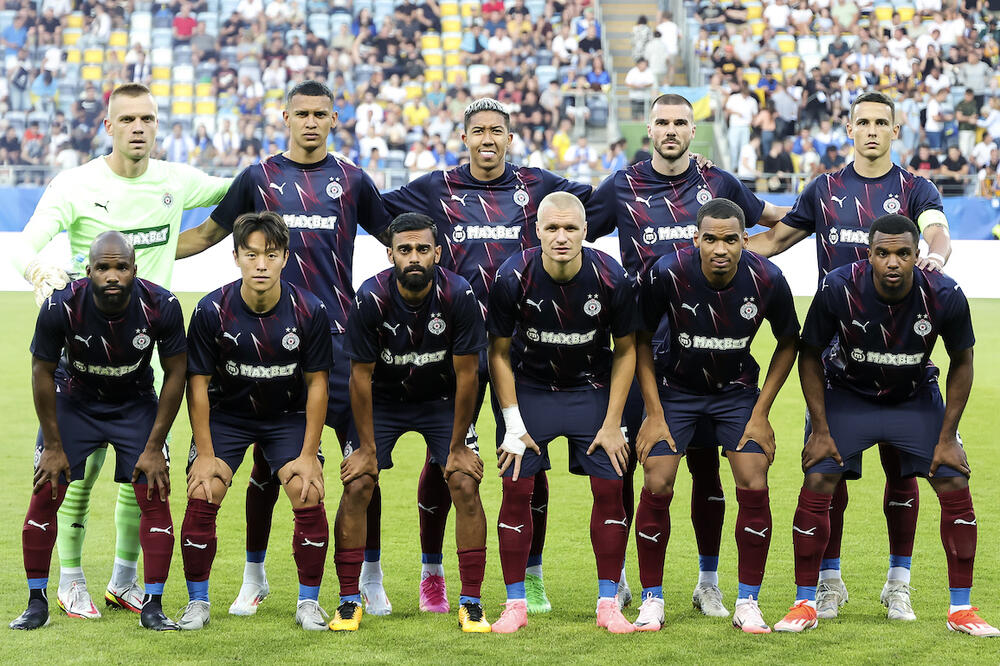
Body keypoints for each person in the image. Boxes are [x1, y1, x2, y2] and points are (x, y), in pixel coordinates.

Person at [8, 82, 230, 621]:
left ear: (157, 125)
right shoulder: (75, 184)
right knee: (75, 475)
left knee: (143, 477)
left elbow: (238, 189)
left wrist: (281, 175)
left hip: (145, 353)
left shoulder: (176, 181)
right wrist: (37, 269)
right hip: (83, 352)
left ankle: (125, 582)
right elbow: (25, 243)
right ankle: (70, 580)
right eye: (127, 119)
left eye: (147, 119)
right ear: (108, 126)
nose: (138, 128)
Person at [175, 80, 392, 617]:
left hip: (336, 344)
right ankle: (254, 576)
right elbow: (205, 235)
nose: (311, 122)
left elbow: (398, 238)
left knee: (361, 461)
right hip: (265, 345)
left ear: (335, 119)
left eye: (321, 114)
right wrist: (140, 257)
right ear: (285, 118)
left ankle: (371, 574)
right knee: (267, 467)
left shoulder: (352, 180)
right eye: (302, 114)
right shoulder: (258, 177)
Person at [382, 98, 593, 615]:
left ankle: (533, 576)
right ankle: (432, 575)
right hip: (450, 351)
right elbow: (369, 209)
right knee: (444, 459)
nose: (488, 140)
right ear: (464, 138)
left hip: (521, 352)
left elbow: (603, 205)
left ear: (510, 138)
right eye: (478, 132)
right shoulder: (436, 187)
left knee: (530, 463)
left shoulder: (540, 186)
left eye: (497, 131)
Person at [748, 91, 953, 622]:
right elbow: (775, 241)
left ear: (894, 130)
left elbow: (935, 228)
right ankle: (830, 581)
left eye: (881, 122)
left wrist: (934, 252)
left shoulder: (916, 187)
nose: (871, 130)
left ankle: (897, 583)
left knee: (903, 475)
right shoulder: (824, 188)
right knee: (828, 471)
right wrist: (705, 246)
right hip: (837, 361)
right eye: (862, 121)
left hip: (902, 358)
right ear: (848, 128)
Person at [585, 93, 789, 619]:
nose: (670, 130)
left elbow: (774, 220)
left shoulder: (719, 183)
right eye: (662, 123)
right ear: (649, 130)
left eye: (679, 122)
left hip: (714, 354)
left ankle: (708, 582)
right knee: (633, 467)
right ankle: (623, 578)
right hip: (644, 352)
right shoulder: (622, 186)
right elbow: (572, 231)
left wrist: (749, 255)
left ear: (692, 129)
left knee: (707, 472)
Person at [773, 214, 998, 637]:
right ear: (869, 255)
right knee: (820, 476)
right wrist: (820, 430)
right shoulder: (838, 287)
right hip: (848, 394)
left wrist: (948, 437)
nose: (892, 262)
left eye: (902, 253)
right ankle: (806, 600)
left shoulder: (944, 294)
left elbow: (962, 362)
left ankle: (961, 609)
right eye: (883, 253)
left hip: (913, 399)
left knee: (953, 479)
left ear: (918, 256)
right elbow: (809, 354)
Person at [631, 197, 799, 633]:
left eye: (730, 239)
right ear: (696, 240)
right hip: (675, 389)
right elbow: (640, 339)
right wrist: (652, 412)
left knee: (753, 475)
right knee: (658, 478)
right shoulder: (667, 272)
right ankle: (652, 598)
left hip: (735, 392)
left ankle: (748, 601)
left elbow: (789, 342)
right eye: (710, 239)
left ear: (746, 240)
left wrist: (761, 412)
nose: (720, 249)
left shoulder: (767, 278)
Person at [10, 232, 187, 632]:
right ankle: (36, 602)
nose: (112, 275)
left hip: (134, 402)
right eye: (103, 267)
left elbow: (177, 371)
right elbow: (40, 371)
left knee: (154, 491)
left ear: (134, 270)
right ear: (87, 271)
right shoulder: (61, 305)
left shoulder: (162, 305)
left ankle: (153, 605)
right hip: (75, 400)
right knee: (46, 489)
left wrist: (156, 446)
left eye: (121, 267)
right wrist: (53, 446)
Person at [487, 192, 638, 635]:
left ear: (585, 231)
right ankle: (516, 603)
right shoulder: (513, 276)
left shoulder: (611, 277)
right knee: (516, 488)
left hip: (591, 390)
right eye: (551, 228)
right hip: (530, 391)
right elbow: (497, 353)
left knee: (611, 486)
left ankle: (609, 603)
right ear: (536, 231)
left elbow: (627, 351)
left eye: (570, 228)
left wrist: (613, 423)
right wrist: (512, 423)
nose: (561, 237)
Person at [334, 213, 491, 632]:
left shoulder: (459, 294)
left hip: (439, 401)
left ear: (437, 253)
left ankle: (471, 603)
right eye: (405, 250)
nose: (414, 257)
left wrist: (457, 447)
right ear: (391, 254)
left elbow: (467, 376)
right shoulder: (371, 298)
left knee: (463, 481)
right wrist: (367, 449)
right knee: (359, 483)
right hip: (383, 402)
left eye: (423, 249)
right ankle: (350, 600)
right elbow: (360, 378)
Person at [177, 211, 333, 632]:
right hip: (228, 416)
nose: (260, 264)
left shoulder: (309, 310)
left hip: (286, 416)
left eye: (270, 254)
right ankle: (197, 603)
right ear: (236, 257)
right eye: (251, 254)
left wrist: (308, 454)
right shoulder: (212, 309)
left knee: (307, 489)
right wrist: (205, 453)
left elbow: (318, 385)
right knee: (203, 489)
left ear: (285, 257)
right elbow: (197, 385)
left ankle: (308, 603)